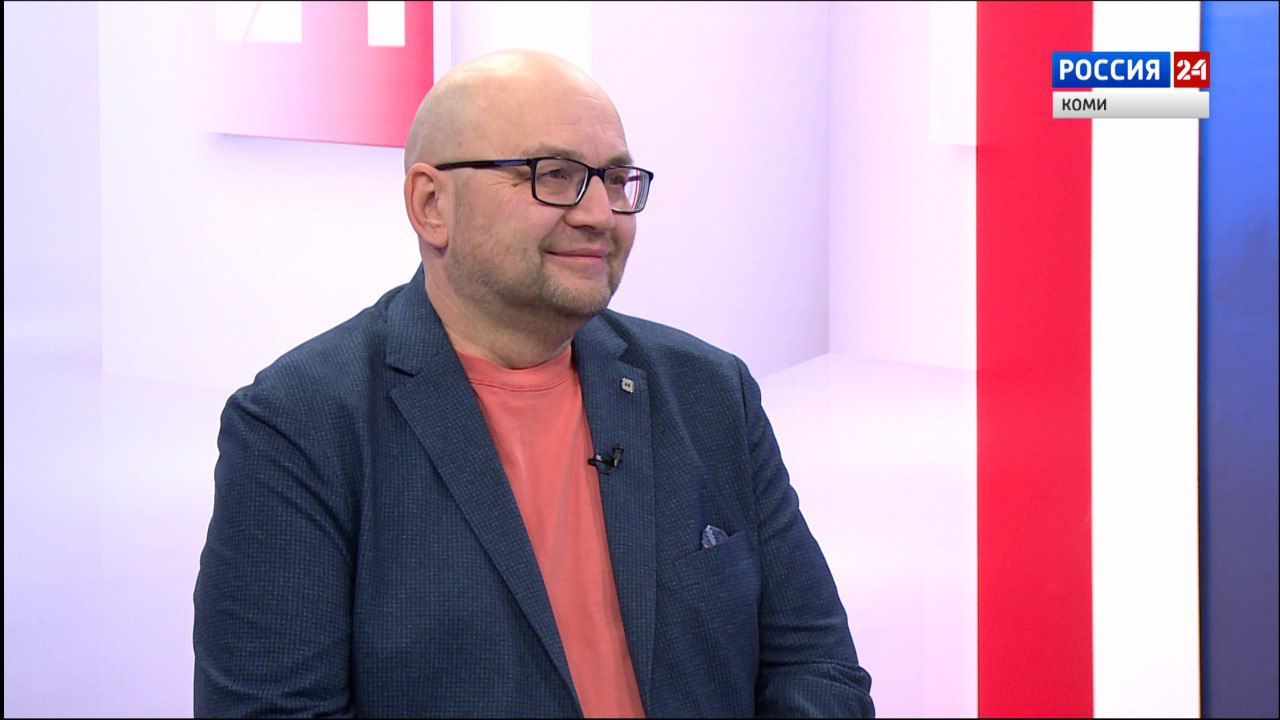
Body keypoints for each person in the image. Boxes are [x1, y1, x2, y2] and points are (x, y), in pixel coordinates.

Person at [193, 49, 874, 718]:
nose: (600, 214)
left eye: (615, 180)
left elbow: (816, 668)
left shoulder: (710, 392)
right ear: (432, 205)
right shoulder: (300, 423)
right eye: (555, 175)